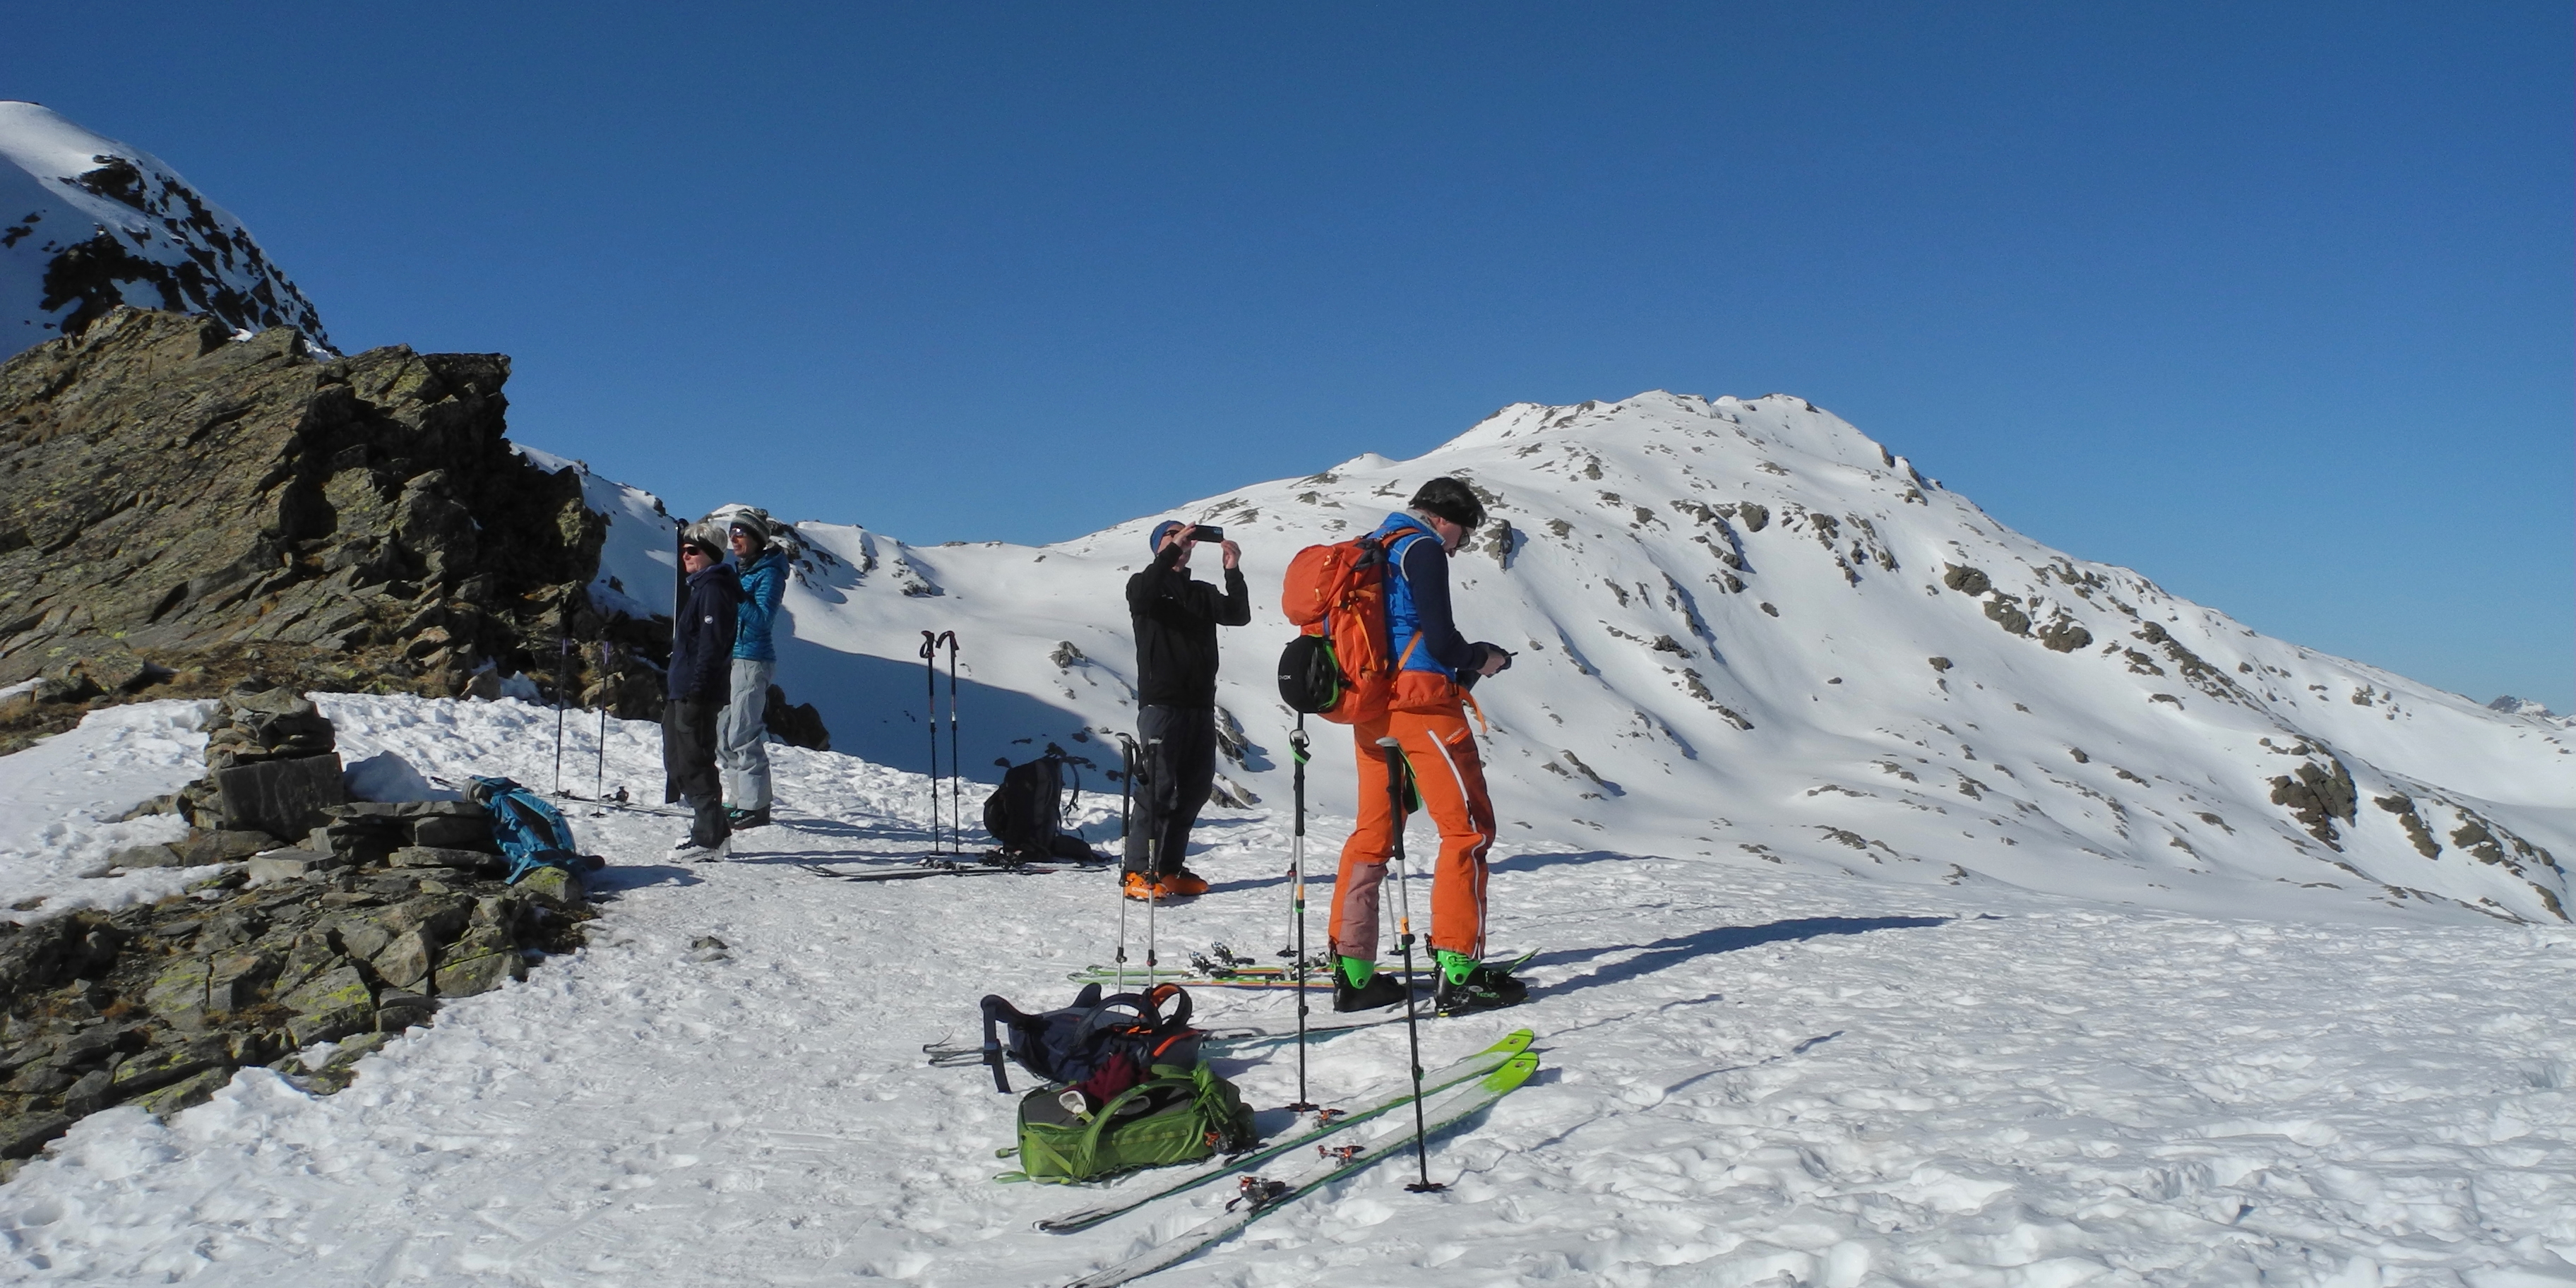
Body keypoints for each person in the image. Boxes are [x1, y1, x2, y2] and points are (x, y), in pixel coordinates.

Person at [1328, 478, 1522, 1015]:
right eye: (1463, 533)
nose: (1460, 546)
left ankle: (1354, 973)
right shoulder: (1423, 549)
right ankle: (1459, 972)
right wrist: (1483, 658)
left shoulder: (1374, 545)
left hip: (1371, 710)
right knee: (1466, 831)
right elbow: (1442, 642)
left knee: (1373, 834)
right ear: (1444, 519)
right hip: (1426, 710)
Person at [1122, 519, 1249, 900]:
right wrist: (1173, 548)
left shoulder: (1200, 592)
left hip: (1199, 704)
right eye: (1172, 534)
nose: (1183, 540)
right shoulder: (1144, 587)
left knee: (1194, 789)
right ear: (1159, 545)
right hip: (1161, 703)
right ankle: (1136, 871)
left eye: (1186, 536)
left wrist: (1233, 570)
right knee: (1157, 789)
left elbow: (1238, 615)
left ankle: (1169, 867)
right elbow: (1144, 592)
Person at [665, 521, 741, 861]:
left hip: (696, 692)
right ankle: (715, 832)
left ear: (710, 554)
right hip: (683, 689)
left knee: (694, 761)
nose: (685, 555)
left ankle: (707, 839)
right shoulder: (702, 587)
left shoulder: (713, 589)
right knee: (679, 760)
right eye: (683, 549)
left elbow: (712, 647)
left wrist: (696, 693)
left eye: (692, 550)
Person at [720, 511, 787, 829]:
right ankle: (738, 800)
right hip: (734, 658)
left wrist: (735, 594)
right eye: (731, 533)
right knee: (723, 731)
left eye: (740, 534)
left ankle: (756, 806)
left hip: (753, 659)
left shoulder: (769, 573)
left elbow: (762, 620)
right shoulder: (745, 571)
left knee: (743, 732)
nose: (734, 539)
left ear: (757, 540)